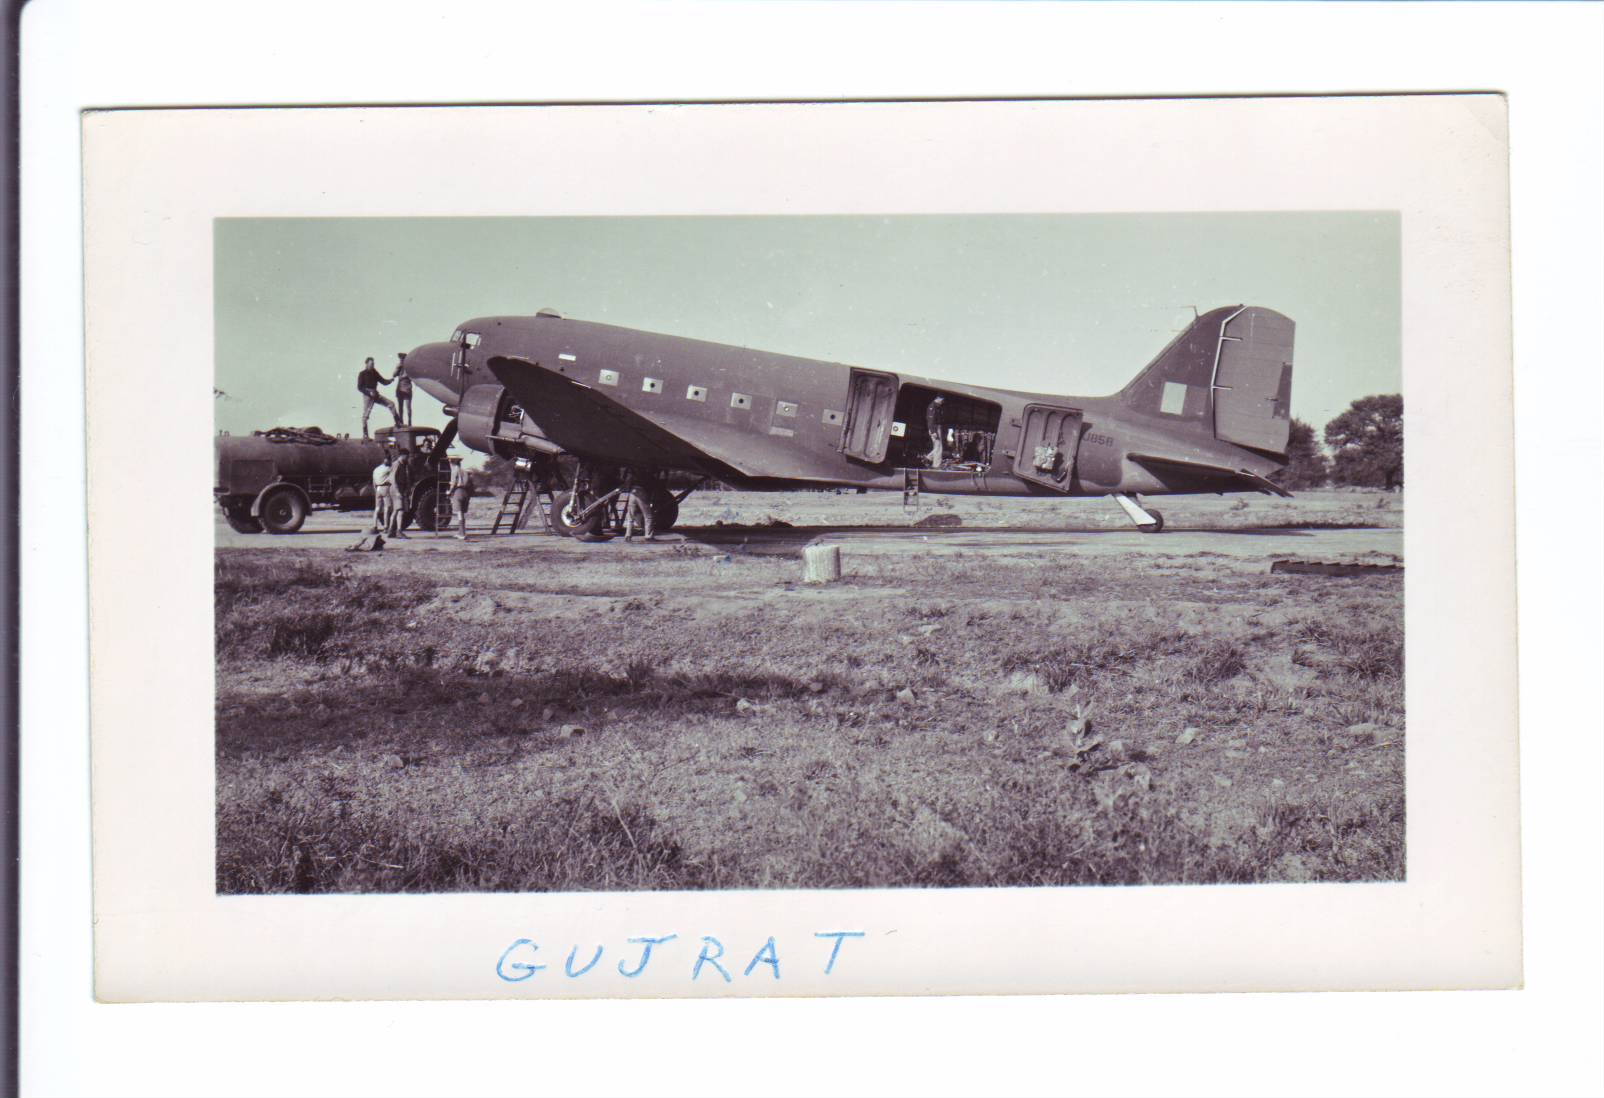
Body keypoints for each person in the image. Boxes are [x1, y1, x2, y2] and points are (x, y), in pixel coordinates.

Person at [357, 356, 398, 439]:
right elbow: (359, 387)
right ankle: (365, 434)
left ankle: (398, 423)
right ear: (366, 364)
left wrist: (390, 380)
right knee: (366, 415)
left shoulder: (374, 372)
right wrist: (369, 393)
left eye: (373, 364)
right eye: (371, 364)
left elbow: (383, 381)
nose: (373, 365)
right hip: (368, 395)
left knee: (391, 404)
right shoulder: (362, 374)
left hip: (375, 394)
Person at [619, 470, 655, 543]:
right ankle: (648, 536)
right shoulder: (647, 474)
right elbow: (651, 487)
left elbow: (627, 479)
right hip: (641, 491)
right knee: (648, 516)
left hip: (633, 492)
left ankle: (628, 535)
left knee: (630, 516)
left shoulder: (633, 472)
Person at [385, 446, 411, 539]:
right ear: (403, 455)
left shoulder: (403, 464)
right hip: (397, 489)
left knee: (396, 510)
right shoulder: (396, 464)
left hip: (400, 489)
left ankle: (390, 531)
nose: (408, 458)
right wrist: (397, 492)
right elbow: (392, 478)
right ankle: (399, 531)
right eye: (407, 456)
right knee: (400, 510)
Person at [447, 455, 472, 540]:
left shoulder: (454, 470)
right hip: (465, 492)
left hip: (458, 492)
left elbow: (453, 483)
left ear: (452, 462)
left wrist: (449, 492)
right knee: (462, 514)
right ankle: (460, 532)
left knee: (459, 514)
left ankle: (462, 534)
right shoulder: (464, 471)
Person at [371, 453, 393, 533]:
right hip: (385, 488)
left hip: (378, 488)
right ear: (388, 460)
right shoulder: (389, 469)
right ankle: (386, 527)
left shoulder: (376, 469)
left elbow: (373, 482)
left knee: (377, 508)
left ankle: (374, 526)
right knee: (387, 508)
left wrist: (375, 489)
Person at [925, 395, 946, 468]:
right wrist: (933, 431)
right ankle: (936, 465)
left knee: (937, 446)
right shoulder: (932, 407)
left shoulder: (937, 407)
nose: (942, 402)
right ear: (939, 399)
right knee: (939, 447)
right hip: (935, 428)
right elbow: (930, 419)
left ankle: (928, 458)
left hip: (937, 427)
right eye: (942, 400)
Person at [393, 353, 414, 426]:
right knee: (400, 407)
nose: (401, 360)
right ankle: (401, 421)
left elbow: (410, 375)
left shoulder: (409, 367)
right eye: (400, 359)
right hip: (400, 388)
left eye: (402, 359)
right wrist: (397, 368)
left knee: (408, 407)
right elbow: (394, 375)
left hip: (407, 387)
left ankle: (409, 421)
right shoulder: (399, 366)